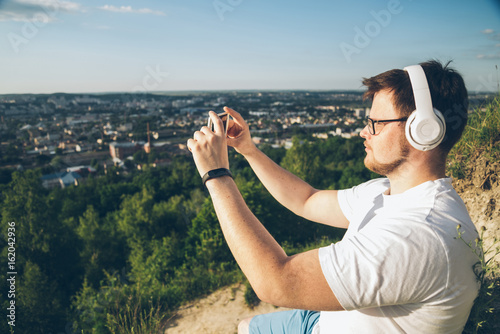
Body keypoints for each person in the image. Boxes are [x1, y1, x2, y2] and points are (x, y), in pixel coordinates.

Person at [186, 60, 480, 334]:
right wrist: (248, 149)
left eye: (376, 123)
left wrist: (216, 175)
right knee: (246, 326)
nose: (364, 132)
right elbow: (306, 199)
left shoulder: (418, 236)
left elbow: (275, 283)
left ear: (423, 130)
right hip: (327, 320)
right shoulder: (386, 192)